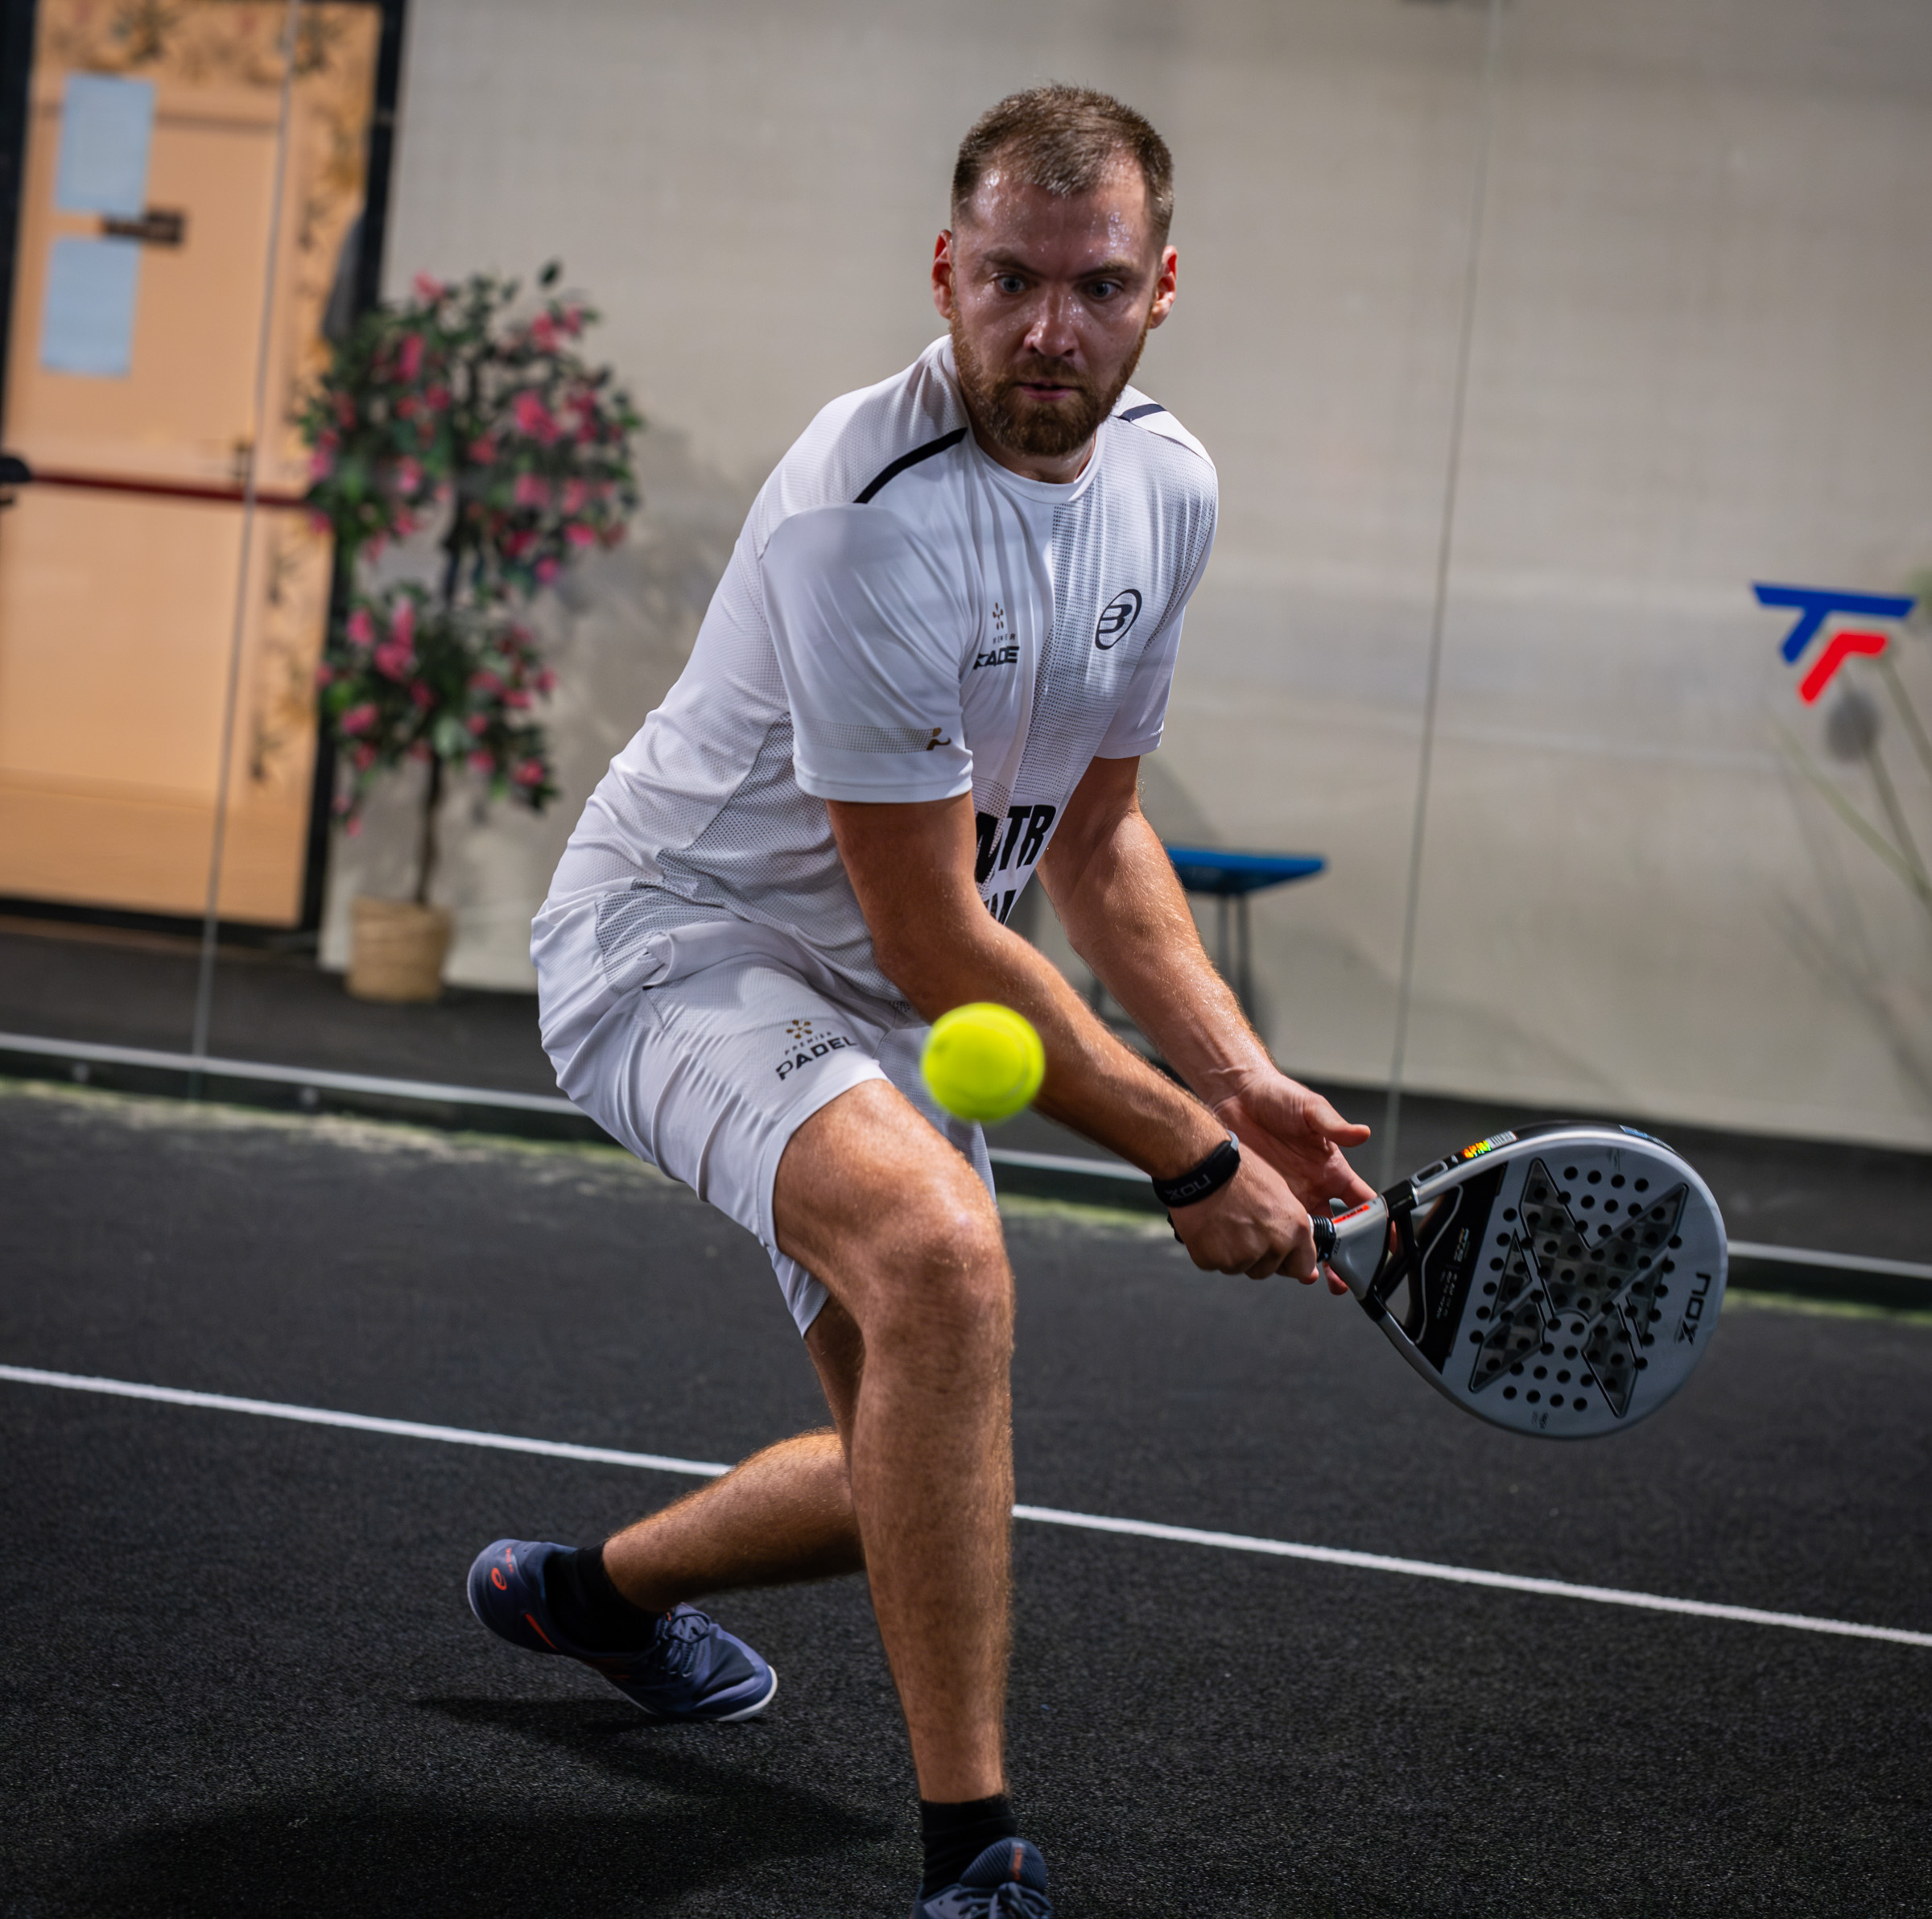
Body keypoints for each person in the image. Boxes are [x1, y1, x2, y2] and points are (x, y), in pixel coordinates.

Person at [467, 82, 1374, 1917]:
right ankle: (980, 1855)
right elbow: (938, 939)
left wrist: (1241, 1075)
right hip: (682, 943)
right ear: (945, 270)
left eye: (1098, 285)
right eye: (1013, 281)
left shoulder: (1166, 489)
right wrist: (1192, 1163)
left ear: (1163, 287)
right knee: (952, 1260)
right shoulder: (859, 511)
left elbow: (1105, 837)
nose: (1052, 330)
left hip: (884, 976)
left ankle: (588, 1596)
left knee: (926, 1464)